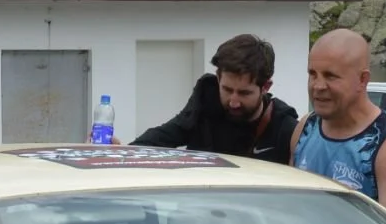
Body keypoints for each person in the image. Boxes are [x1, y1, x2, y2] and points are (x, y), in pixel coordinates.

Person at [289, 28, 386, 224]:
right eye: (312, 74)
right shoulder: (305, 128)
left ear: (363, 80)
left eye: (330, 76)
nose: (318, 85)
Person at [124, 34, 301, 164]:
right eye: (227, 89)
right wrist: (121, 152)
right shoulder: (205, 101)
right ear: (218, 78)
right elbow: (166, 135)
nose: (233, 101)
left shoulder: (285, 128)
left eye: (244, 93)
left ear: (266, 87)